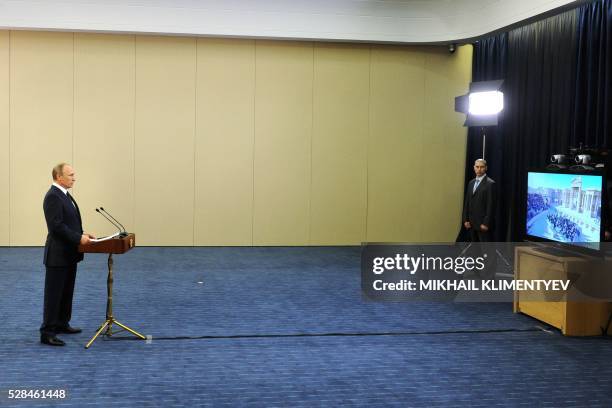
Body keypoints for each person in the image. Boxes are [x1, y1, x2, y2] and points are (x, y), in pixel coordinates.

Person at [40, 163, 95, 346]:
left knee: (66, 292)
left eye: (74, 174)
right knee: (54, 295)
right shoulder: (53, 197)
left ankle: (62, 323)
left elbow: (69, 223)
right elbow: (56, 227)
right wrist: (78, 238)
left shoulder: (64, 195)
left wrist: (82, 234)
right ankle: (47, 332)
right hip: (57, 255)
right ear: (58, 176)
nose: (74, 178)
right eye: (70, 175)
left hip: (69, 253)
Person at [463, 159, 496, 242]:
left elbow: (491, 205)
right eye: (477, 167)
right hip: (471, 223)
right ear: (474, 168)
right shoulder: (471, 183)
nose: (479, 169)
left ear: (486, 168)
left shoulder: (490, 184)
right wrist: (466, 219)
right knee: (474, 250)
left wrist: (486, 223)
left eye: (481, 167)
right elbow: (467, 202)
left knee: (485, 250)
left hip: (482, 225)